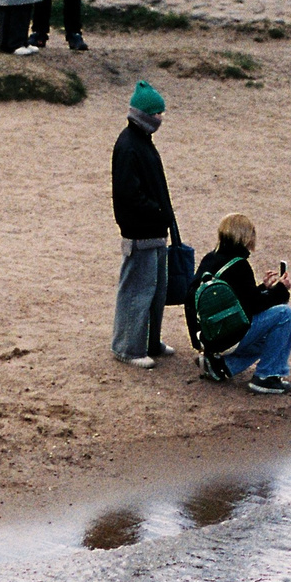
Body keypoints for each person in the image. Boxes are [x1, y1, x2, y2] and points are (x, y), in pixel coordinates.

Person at [111, 79, 178, 367]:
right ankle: (127, 347)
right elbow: (129, 194)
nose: (160, 118)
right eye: (156, 113)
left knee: (155, 291)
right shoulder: (129, 146)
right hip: (140, 231)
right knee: (137, 292)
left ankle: (149, 342)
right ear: (145, 115)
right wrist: (158, 211)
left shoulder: (141, 142)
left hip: (154, 229)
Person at [191, 212, 291, 395]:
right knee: (284, 315)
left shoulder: (211, 258)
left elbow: (239, 299)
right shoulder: (239, 265)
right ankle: (267, 377)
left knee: (271, 332)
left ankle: (221, 366)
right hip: (228, 337)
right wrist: (280, 290)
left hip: (209, 336)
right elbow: (253, 307)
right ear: (246, 237)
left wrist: (263, 288)